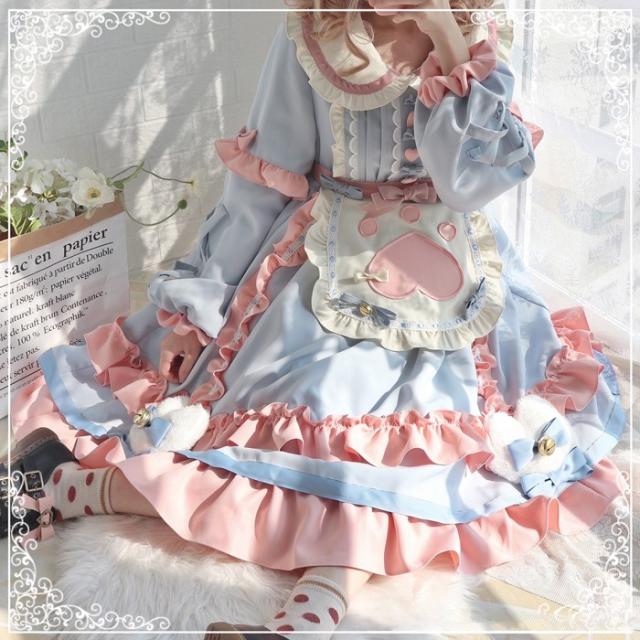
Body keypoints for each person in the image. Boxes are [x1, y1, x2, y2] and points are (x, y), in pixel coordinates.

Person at [4, 1, 625, 639]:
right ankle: (74, 491)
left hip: (453, 285)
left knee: (419, 477)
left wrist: (445, 36)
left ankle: (295, 620)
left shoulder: (474, 41)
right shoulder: (315, 32)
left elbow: (465, 185)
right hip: (326, 268)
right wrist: (200, 306)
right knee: (305, 448)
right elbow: (262, 185)